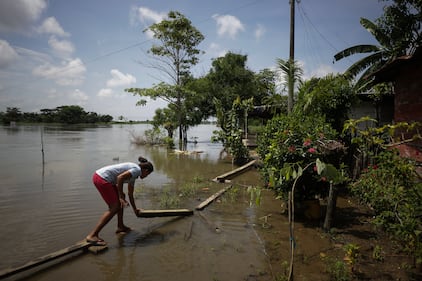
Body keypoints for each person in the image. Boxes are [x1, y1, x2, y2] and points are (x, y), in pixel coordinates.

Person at [86, 156, 154, 246]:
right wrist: (121, 197)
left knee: (121, 200)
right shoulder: (137, 170)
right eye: (147, 175)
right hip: (102, 178)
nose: (146, 177)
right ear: (146, 171)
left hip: (104, 178)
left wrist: (135, 209)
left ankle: (120, 226)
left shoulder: (134, 174)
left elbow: (130, 194)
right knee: (114, 207)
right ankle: (92, 235)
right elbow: (120, 178)